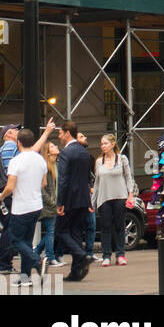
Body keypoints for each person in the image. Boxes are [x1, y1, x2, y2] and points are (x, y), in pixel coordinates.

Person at [0, 128, 46, 284]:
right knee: (26, 241)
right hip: (36, 204)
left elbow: (10, 187)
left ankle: (37, 260)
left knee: (15, 239)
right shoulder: (40, 159)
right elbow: (44, 183)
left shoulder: (16, 161)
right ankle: (25, 277)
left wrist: (1, 196)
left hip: (21, 207)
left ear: (18, 142)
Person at [55, 120, 94, 281]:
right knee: (76, 233)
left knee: (61, 231)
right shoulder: (84, 152)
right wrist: (89, 201)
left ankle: (82, 255)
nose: (58, 136)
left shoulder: (65, 153)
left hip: (70, 199)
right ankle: (76, 271)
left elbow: (63, 180)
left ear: (66, 133)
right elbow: (87, 178)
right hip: (83, 198)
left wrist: (60, 202)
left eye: (60, 133)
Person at [93, 134, 135, 266]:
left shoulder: (122, 159)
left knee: (119, 226)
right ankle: (106, 256)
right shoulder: (99, 161)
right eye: (101, 144)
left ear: (112, 144)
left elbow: (128, 178)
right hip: (104, 198)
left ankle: (120, 254)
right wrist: (92, 202)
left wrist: (130, 195)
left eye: (105, 143)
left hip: (120, 196)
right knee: (105, 227)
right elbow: (97, 183)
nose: (103, 146)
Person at [35, 141, 64, 270]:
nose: (56, 146)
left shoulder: (55, 165)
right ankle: (50, 257)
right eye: (52, 146)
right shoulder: (45, 167)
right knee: (51, 231)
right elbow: (42, 189)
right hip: (48, 205)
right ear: (47, 152)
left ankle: (35, 252)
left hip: (54, 204)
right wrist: (52, 203)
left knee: (52, 231)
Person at [76, 132, 99, 261]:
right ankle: (79, 254)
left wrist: (91, 187)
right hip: (79, 196)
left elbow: (89, 175)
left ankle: (89, 252)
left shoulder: (89, 157)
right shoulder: (74, 155)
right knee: (77, 227)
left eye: (84, 136)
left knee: (91, 225)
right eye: (81, 136)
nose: (85, 137)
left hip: (88, 194)